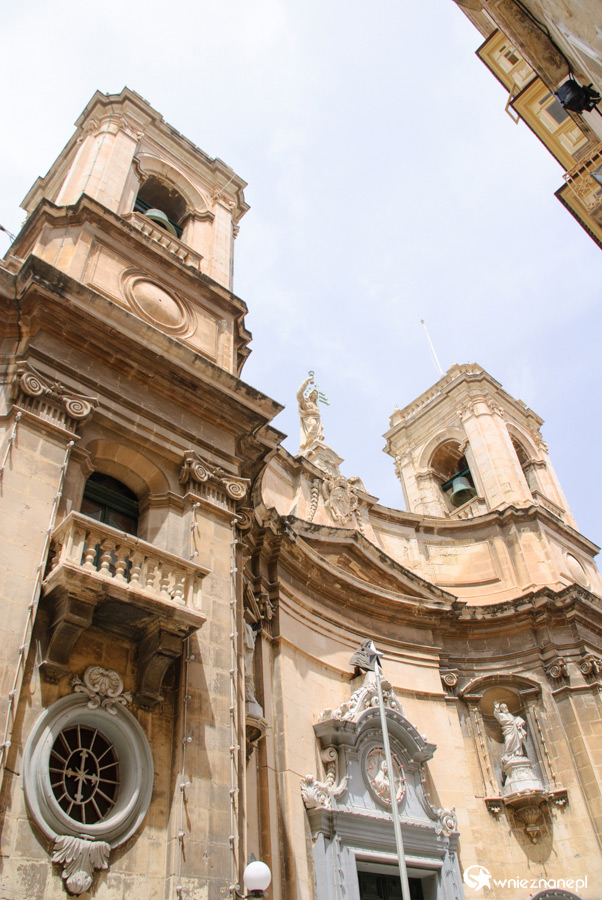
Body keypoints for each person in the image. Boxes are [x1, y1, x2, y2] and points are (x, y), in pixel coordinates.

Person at [297, 375, 324, 451]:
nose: (315, 394)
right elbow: (299, 395)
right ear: (310, 394)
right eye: (314, 393)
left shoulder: (315, 406)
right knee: (313, 424)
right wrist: (305, 382)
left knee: (317, 427)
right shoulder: (305, 403)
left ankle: (314, 440)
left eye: (316, 394)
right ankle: (308, 440)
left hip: (317, 420)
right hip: (309, 419)